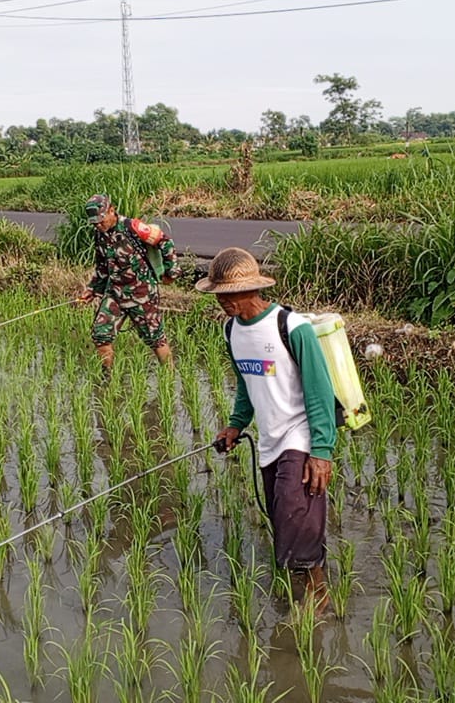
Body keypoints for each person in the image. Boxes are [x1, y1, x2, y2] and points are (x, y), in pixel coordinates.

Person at [200, 247, 338, 613]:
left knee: (297, 516)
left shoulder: (291, 327)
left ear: (253, 289)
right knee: (282, 519)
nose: (225, 301)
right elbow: (247, 385)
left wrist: (322, 451)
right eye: (220, 294)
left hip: (300, 433)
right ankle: (301, 588)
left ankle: (318, 599)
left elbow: (320, 389)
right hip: (269, 439)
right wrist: (235, 424)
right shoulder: (231, 330)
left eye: (231, 293)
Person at [77, 194, 178, 371]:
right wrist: (92, 289)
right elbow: (102, 266)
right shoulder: (99, 234)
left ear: (111, 210)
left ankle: (169, 378)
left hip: (142, 294)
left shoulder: (133, 227)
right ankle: (107, 379)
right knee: (100, 334)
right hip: (115, 293)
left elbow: (165, 242)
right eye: (94, 223)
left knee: (156, 339)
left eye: (101, 221)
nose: (99, 226)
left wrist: (171, 272)